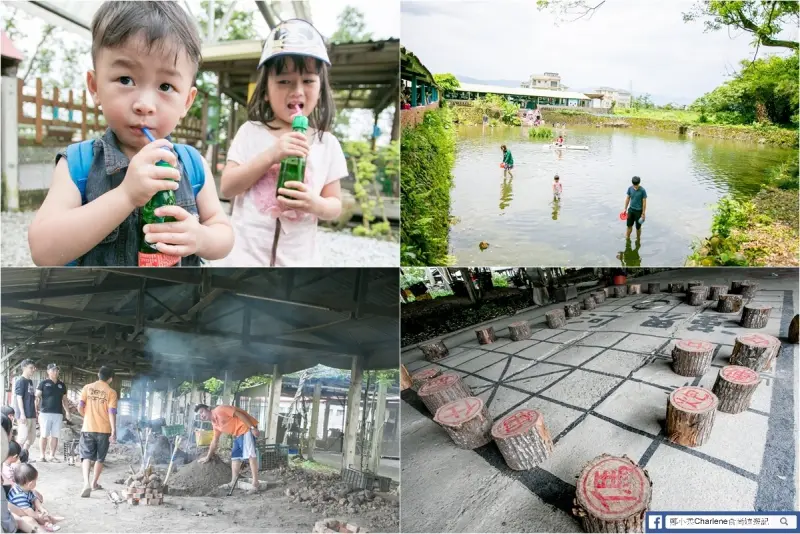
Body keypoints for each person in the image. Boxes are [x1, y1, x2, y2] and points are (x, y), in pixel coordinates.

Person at [27, 1, 234, 267]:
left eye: (165, 86)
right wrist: (125, 195)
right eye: (126, 80)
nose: (144, 104)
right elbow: (42, 250)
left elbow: (223, 233)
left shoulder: (193, 165)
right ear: (95, 87)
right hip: (101, 295)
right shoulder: (78, 164)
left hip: (177, 294)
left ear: (186, 101)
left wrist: (202, 238)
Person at [218, 19, 347, 267]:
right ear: (265, 91)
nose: (297, 90)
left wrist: (315, 204)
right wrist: (271, 155)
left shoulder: (327, 144)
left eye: (308, 81)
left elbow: (335, 205)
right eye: (284, 81)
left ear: (321, 89)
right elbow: (227, 188)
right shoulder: (250, 132)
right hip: (244, 262)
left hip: (298, 265)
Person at [195, 404, 260, 494]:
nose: (201, 415)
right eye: (199, 414)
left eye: (202, 411)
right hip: (237, 434)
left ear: (208, 409)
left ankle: (255, 484)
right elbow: (214, 441)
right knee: (235, 457)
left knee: (250, 455)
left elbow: (239, 414)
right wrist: (208, 457)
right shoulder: (215, 424)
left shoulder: (220, 410)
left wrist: (252, 428)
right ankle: (233, 482)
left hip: (246, 429)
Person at [77, 366, 118, 498]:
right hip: (104, 430)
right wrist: (113, 430)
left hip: (88, 428)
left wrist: (86, 417)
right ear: (110, 379)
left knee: (86, 456)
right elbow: (111, 413)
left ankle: (86, 483)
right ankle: (94, 483)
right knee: (100, 458)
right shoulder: (111, 392)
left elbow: (80, 407)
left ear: (98, 375)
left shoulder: (87, 387)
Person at [8, 464, 63, 532]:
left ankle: (50, 519)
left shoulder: (23, 487)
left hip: (28, 509)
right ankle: (45, 525)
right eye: (35, 481)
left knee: (41, 511)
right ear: (30, 484)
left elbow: (34, 498)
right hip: (20, 516)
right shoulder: (19, 496)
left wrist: (41, 508)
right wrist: (39, 517)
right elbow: (29, 512)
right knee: (31, 520)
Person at [35, 364, 71, 463]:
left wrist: (67, 412)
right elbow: (37, 397)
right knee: (44, 435)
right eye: (53, 370)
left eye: (57, 370)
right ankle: (42, 456)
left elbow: (64, 400)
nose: (56, 372)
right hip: (45, 413)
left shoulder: (62, 385)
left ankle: (52, 456)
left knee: (55, 435)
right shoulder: (43, 383)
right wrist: (35, 409)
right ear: (48, 371)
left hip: (58, 413)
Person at [14, 360, 37, 456]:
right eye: (31, 368)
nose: (33, 370)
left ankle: (23, 456)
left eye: (34, 368)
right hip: (24, 414)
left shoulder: (30, 381)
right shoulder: (20, 381)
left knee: (31, 438)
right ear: (24, 368)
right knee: (22, 438)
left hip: (31, 413)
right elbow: (19, 398)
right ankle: (15, 457)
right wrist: (22, 414)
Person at [623, 175, 647, 240]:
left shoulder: (642, 190)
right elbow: (628, 198)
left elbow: (644, 202)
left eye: (636, 185)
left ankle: (638, 239)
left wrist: (643, 213)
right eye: (634, 185)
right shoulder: (630, 188)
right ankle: (627, 238)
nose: (635, 186)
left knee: (638, 228)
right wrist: (625, 209)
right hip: (631, 210)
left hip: (639, 211)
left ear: (639, 183)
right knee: (629, 226)